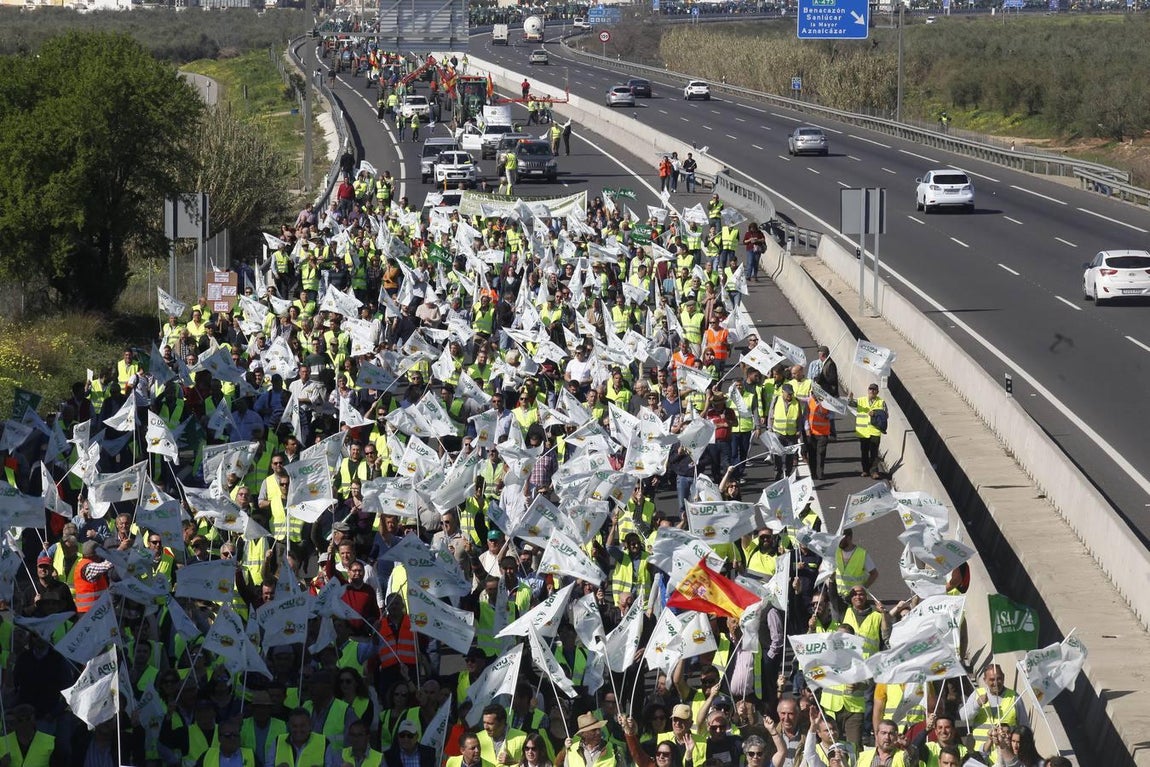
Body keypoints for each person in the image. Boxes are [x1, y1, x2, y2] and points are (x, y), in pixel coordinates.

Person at [959, 664, 1027, 754]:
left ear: (1003, 677)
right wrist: (977, 704)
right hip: (981, 754)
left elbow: (1024, 727)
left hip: (1006, 754)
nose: (996, 682)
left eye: (999, 678)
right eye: (991, 679)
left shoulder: (1014, 697)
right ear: (985, 680)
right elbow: (963, 717)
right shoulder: (978, 694)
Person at [853, 383, 886, 479]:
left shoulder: (881, 402)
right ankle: (865, 470)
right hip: (863, 431)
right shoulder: (861, 400)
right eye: (870, 389)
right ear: (868, 391)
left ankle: (874, 471)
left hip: (875, 431)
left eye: (874, 390)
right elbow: (852, 404)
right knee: (864, 452)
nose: (872, 391)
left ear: (877, 392)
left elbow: (885, 415)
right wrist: (850, 398)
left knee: (874, 453)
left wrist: (875, 413)